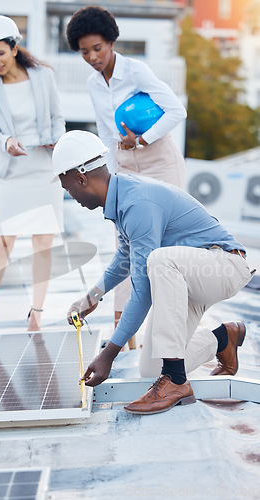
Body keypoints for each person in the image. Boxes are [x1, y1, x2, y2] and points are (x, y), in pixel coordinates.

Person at [51, 130, 254, 416]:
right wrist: (92, 297)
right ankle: (224, 338)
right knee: (149, 369)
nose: (71, 197)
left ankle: (175, 381)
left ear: (82, 179)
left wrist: (109, 354)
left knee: (158, 261)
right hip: (191, 274)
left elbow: (143, 287)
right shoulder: (121, 200)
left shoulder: (137, 203)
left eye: (69, 189)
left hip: (223, 266)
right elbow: (125, 258)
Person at [66, 6, 187, 345]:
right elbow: (106, 135)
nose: (92, 57)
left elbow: (177, 110)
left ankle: (166, 330)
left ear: (111, 42)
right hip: (124, 164)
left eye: (97, 48)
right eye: (84, 51)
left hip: (160, 160)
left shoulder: (136, 71)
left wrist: (143, 139)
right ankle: (126, 335)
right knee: (126, 243)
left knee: (163, 248)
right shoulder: (93, 84)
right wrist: (111, 175)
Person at [0, 14, 65, 334]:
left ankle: (36, 315)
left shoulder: (42, 76)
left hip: (44, 171)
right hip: (12, 174)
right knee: (1, 246)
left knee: (42, 244)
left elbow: (58, 118)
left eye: (0, 52)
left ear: (14, 47)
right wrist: (6, 141)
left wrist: (56, 139)